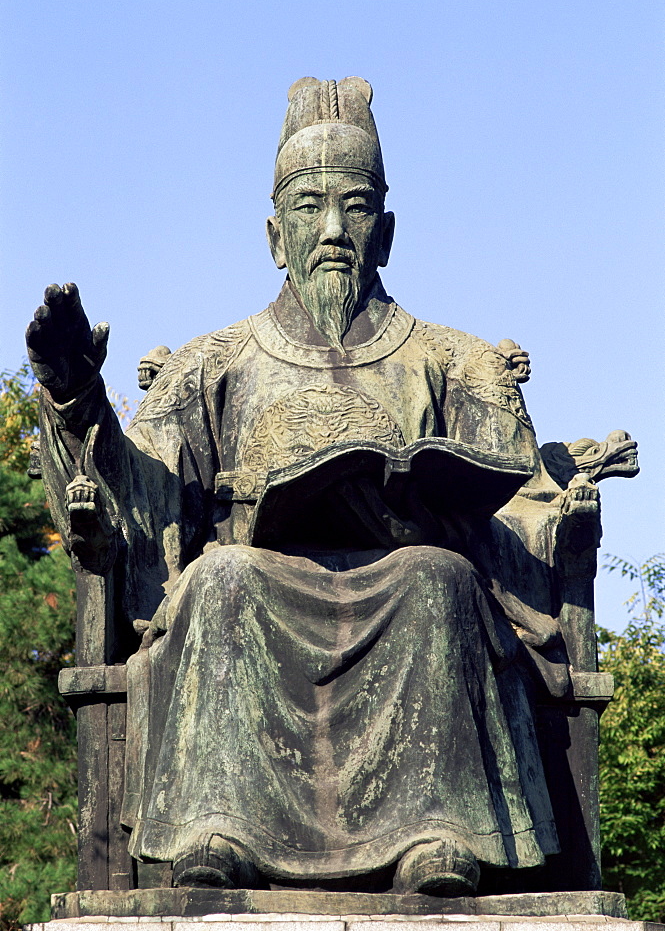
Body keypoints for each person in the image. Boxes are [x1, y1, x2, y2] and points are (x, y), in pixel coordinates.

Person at [27, 77, 566, 897]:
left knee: (438, 578)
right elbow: (143, 491)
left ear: (384, 232)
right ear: (274, 234)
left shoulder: (456, 360)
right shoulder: (213, 362)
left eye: (354, 208)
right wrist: (76, 398)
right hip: (257, 576)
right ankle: (217, 830)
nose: (332, 230)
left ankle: (436, 834)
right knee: (219, 578)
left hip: (405, 576)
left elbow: (521, 491)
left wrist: (469, 506)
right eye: (309, 207)